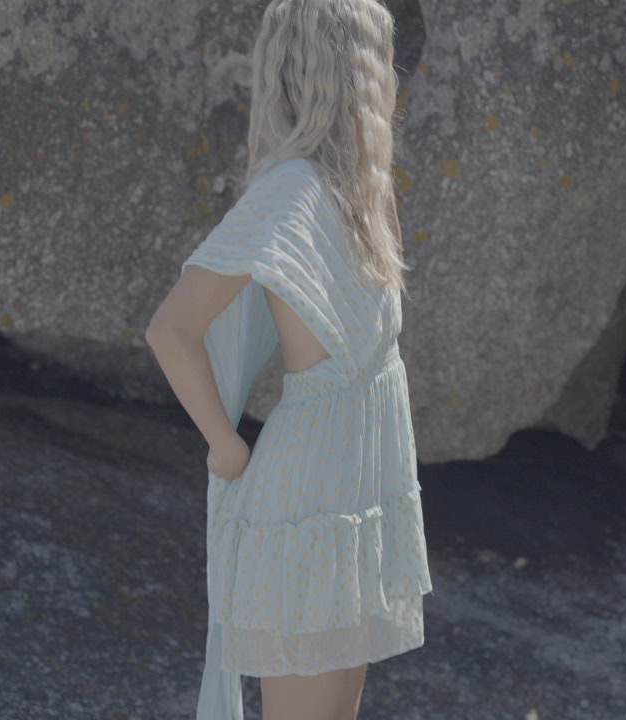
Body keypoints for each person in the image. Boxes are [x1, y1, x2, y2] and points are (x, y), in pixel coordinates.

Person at [145, 1, 433, 718]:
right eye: (381, 60)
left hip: (359, 492)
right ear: (357, 71)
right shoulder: (288, 192)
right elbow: (171, 329)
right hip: (309, 503)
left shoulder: (365, 190)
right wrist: (226, 446)